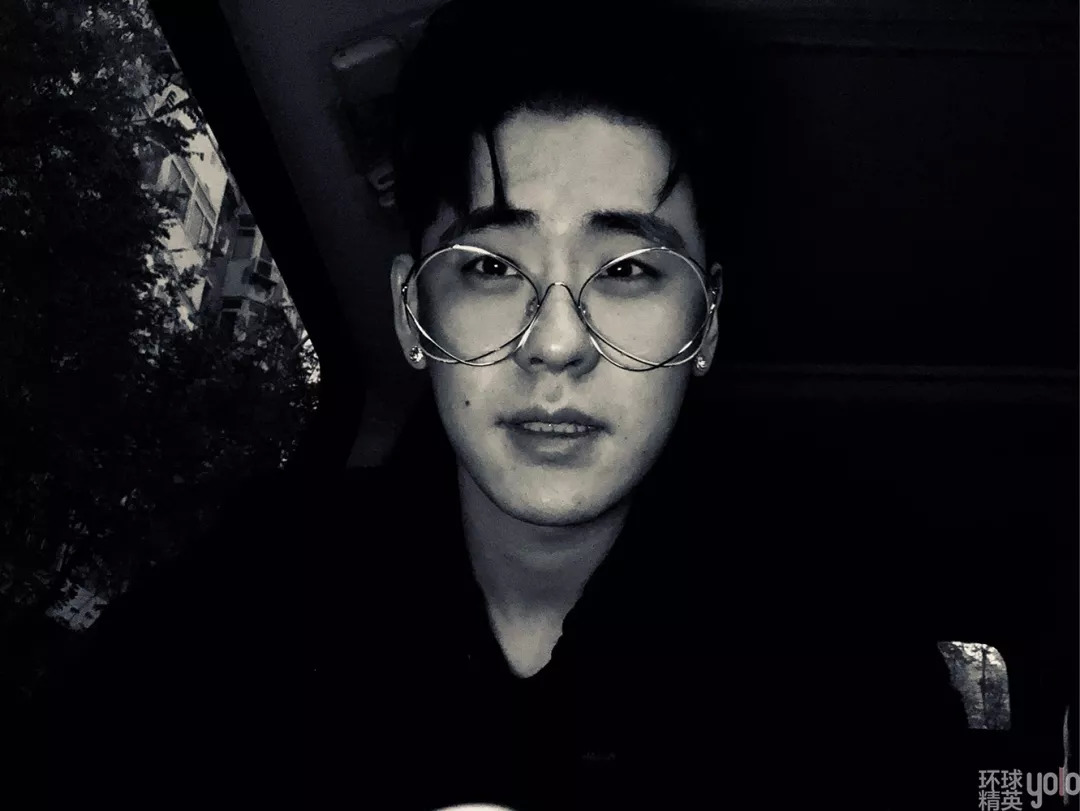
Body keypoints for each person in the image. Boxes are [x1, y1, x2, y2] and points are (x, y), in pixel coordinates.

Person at [35, 0, 969, 808]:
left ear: (707, 322)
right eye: (489, 266)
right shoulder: (235, 620)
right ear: (411, 310)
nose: (555, 342)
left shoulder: (841, 673)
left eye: (629, 269)